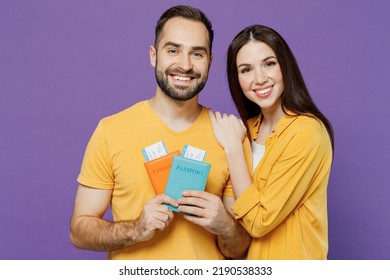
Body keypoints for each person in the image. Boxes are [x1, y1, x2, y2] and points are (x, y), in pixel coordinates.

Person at [70, 5, 251, 260]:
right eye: (173, 50)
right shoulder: (111, 131)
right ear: (154, 55)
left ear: (210, 61)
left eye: (197, 54)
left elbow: (238, 248)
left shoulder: (230, 137)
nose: (185, 65)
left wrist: (225, 225)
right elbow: (79, 231)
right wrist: (137, 228)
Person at [208, 25, 334, 259]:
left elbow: (258, 221)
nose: (259, 78)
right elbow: (232, 220)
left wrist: (233, 148)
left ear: (285, 65)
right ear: (237, 78)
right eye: (246, 70)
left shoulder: (307, 132)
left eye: (269, 64)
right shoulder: (244, 130)